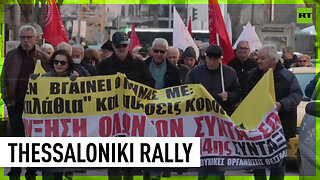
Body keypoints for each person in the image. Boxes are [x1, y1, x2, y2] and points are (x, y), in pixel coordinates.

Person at [96, 31, 155, 180]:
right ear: (113, 47)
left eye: (124, 45)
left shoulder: (138, 64)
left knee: (129, 160)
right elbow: (94, 87)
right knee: (114, 159)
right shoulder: (104, 66)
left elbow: (150, 84)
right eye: (118, 46)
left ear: (128, 45)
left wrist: (134, 92)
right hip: (111, 118)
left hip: (131, 117)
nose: (121, 48)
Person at [1, 24, 50, 180]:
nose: (25, 40)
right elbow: (4, 80)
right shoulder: (11, 56)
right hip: (16, 104)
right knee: (16, 139)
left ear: (36, 38)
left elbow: (54, 79)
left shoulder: (44, 57)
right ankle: (14, 171)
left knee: (33, 140)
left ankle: (31, 171)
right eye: (22, 37)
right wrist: (8, 100)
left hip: (36, 108)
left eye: (29, 37)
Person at [247, 45, 303, 180]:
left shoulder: (288, 76)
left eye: (262, 58)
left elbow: (297, 95)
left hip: (281, 129)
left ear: (273, 60)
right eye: (258, 58)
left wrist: (281, 104)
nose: (258, 61)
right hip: (258, 128)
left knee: (278, 164)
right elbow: (247, 97)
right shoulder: (253, 75)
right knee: (258, 162)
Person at [186, 44, 241, 117]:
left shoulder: (230, 73)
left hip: (223, 114)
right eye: (209, 59)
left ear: (221, 59)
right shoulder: (194, 72)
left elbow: (237, 92)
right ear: (205, 57)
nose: (212, 62)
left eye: (215, 60)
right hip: (201, 114)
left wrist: (228, 95)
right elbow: (187, 92)